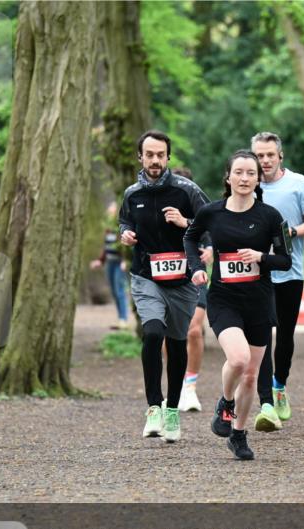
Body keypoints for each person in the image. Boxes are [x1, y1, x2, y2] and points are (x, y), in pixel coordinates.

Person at [185, 149, 291, 460]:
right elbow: (190, 239)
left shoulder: (270, 216)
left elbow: (284, 260)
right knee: (240, 359)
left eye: (251, 173)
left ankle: (239, 434)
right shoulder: (211, 212)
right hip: (224, 299)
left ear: (259, 179)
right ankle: (225, 402)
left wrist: (261, 258)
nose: (244, 178)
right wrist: (197, 268)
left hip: (259, 301)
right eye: (239, 172)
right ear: (228, 177)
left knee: (250, 375)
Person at [119, 130, 210, 442]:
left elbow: (212, 222)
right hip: (147, 276)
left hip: (182, 280)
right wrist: (126, 234)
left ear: (168, 157)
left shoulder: (187, 190)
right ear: (140, 157)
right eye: (149, 154)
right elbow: (125, 221)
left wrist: (186, 222)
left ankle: (173, 410)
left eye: (160, 155)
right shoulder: (132, 193)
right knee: (153, 332)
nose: (155, 160)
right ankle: (153, 408)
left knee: (175, 341)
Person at [249, 132, 304, 432]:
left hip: (290, 272)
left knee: (285, 336)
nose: (264, 161)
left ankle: (280, 384)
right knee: (262, 336)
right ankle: (266, 401)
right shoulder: (247, 184)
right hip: (257, 273)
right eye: (259, 155)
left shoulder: (299, 184)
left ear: (280, 156)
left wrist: (290, 233)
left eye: (269, 155)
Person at [172, 167, 213, 412]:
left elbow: (215, 233)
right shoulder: (162, 211)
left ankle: (190, 386)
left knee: (194, 330)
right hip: (168, 278)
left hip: (195, 276)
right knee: (171, 333)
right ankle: (175, 383)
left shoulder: (201, 213)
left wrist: (211, 249)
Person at [90, 203, 130, 329]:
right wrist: (100, 261)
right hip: (110, 262)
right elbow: (106, 247)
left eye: (111, 212)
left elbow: (125, 246)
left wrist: (125, 261)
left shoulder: (122, 227)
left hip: (119, 263)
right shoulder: (108, 229)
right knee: (113, 291)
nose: (109, 214)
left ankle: (124, 320)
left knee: (120, 291)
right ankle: (120, 319)